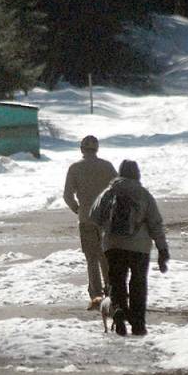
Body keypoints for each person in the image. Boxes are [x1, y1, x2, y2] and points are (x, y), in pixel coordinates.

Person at [89, 159, 169, 336]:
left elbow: (93, 216)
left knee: (117, 282)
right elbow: (155, 223)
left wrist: (107, 228)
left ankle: (119, 312)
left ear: (120, 173)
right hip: (139, 248)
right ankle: (138, 324)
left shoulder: (109, 192)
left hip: (113, 246)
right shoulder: (144, 194)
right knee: (138, 283)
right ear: (137, 174)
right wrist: (162, 249)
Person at [63, 135, 117, 310]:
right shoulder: (107, 167)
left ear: (82, 149)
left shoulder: (75, 168)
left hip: (86, 219)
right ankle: (112, 293)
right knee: (106, 257)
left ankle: (96, 296)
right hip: (106, 220)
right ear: (97, 149)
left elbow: (67, 195)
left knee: (91, 259)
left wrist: (78, 209)